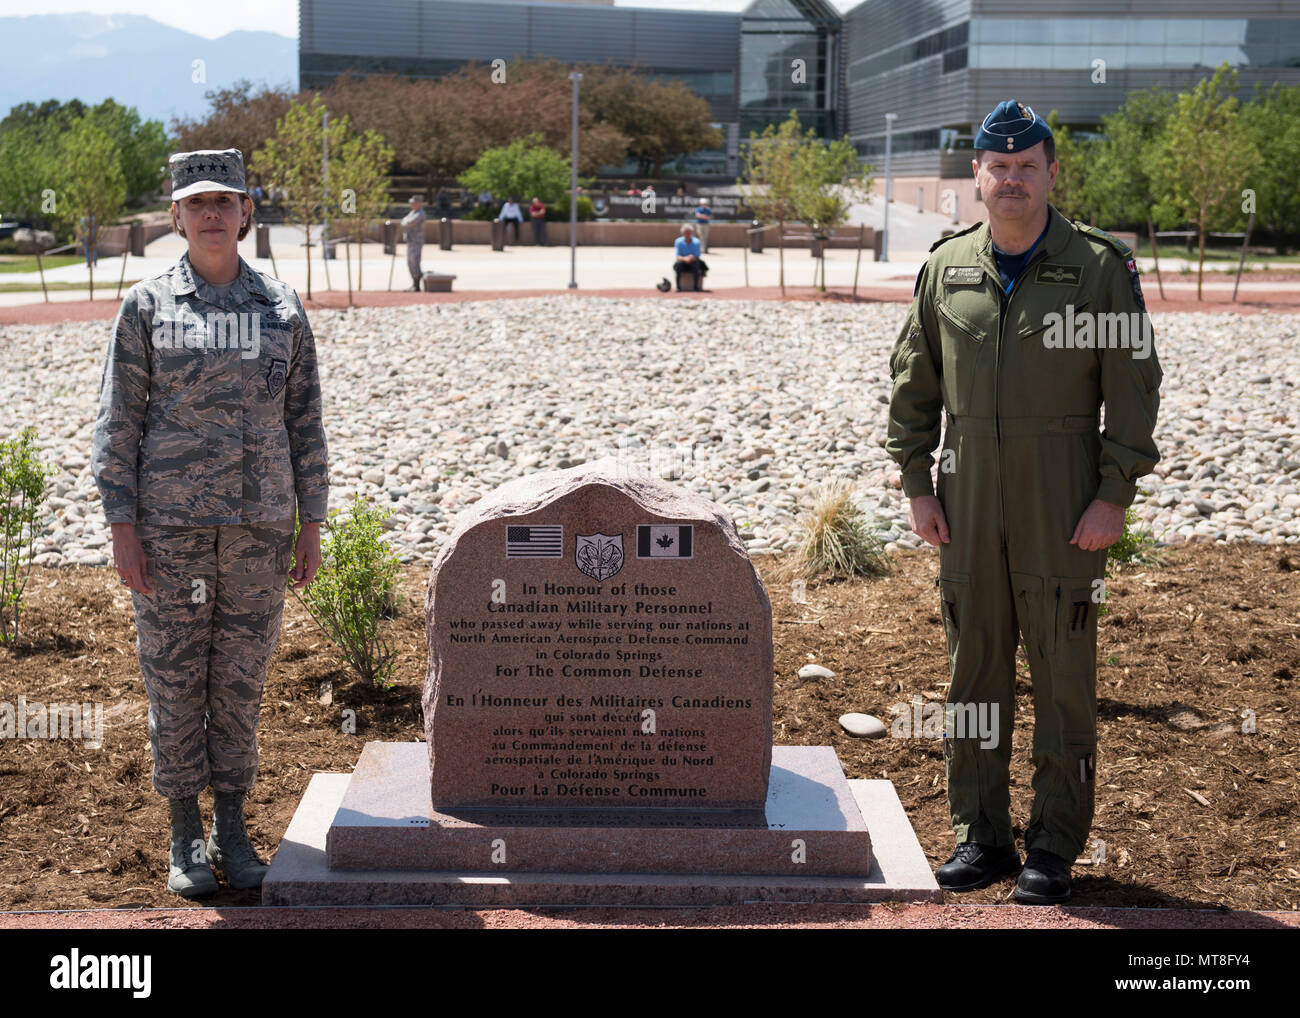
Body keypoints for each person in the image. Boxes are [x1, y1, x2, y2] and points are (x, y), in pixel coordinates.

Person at [885, 100, 1162, 905]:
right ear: (976, 175)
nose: (1012, 179)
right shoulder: (947, 266)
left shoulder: (1100, 266)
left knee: (1063, 674)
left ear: (1049, 172)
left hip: (1062, 495)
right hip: (966, 492)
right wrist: (915, 483)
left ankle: (1054, 843)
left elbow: (1134, 389)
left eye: (1027, 166)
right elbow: (915, 384)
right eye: (997, 167)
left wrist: (1114, 494)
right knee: (972, 673)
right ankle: (983, 835)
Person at [91, 148, 328, 898]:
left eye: (226, 200)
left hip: (258, 532)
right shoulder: (148, 307)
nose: (213, 214)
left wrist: (312, 524)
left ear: (247, 211)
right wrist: (121, 527)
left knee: (239, 683)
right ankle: (184, 834)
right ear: (176, 217)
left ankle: (233, 825)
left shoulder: (282, 309)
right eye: (198, 203)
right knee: (173, 680)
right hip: (171, 535)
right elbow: (117, 424)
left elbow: (306, 424)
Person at [400, 195, 426, 291]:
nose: (411, 204)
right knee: (410, 262)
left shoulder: (420, 213)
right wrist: (405, 222)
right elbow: (403, 221)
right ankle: (414, 284)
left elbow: (409, 222)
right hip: (411, 241)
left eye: (413, 202)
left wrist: (405, 222)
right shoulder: (413, 212)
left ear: (419, 203)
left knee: (415, 262)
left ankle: (417, 285)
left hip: (416, 241)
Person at [673, 224, 708, 291]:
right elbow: (678, 255)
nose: (687, 234)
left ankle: (696, 287)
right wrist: (685, 259)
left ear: (692, 233)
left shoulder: (696, 242)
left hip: (693, 261)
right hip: (683, 262)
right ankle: (678, 287)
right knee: (678, 265)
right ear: (682, 233)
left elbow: (697, 255)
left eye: (689, 233)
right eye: (686, 233)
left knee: (696, 265)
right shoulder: (678, 241)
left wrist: (691, 258)